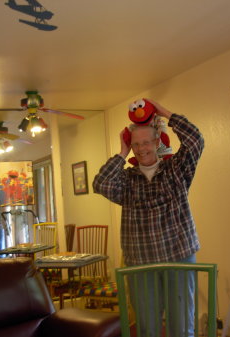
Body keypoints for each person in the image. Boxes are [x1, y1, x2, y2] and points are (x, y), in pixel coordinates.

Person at [93, 99, 204, 336]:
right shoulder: (126, 180)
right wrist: (121, 153)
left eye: (146, 142)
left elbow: (195, 140)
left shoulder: (176, 169)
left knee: (182, 326)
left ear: (157, 141)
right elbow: (100, 183)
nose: (142, 148)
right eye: (135, 144)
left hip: (179, 256)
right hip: (140, 262)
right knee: (147, 328)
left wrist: (161, 110)